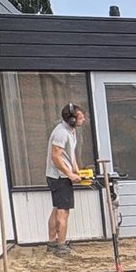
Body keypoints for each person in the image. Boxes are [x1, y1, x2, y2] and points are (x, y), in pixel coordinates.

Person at [44, 103, 86, 256]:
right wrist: (69, 174)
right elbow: (56, 157)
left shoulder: (70, 131)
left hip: (61, 175)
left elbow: (69, 154)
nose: (84, 119)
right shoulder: (61, 133)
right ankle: (61, 247)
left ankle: (52, 243)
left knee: (56, 209)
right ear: (72, 120)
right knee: (63, 212)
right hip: (59, 177)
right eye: (80, 117)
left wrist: (77, 170)